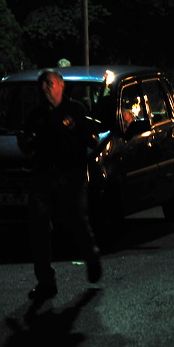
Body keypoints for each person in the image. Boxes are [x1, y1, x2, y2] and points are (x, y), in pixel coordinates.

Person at [17, 69, 102, 301]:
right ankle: (45, 281)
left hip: (70, 176)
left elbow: (91, 138)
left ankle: (91, 256)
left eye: (50, 83)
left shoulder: (76, 110)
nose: (45, 87)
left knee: (75, 221)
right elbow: (27, 142)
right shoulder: (36, 114)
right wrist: (24, 142)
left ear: (61, 86)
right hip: (43, 176)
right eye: (42, 84)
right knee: (39, 227)